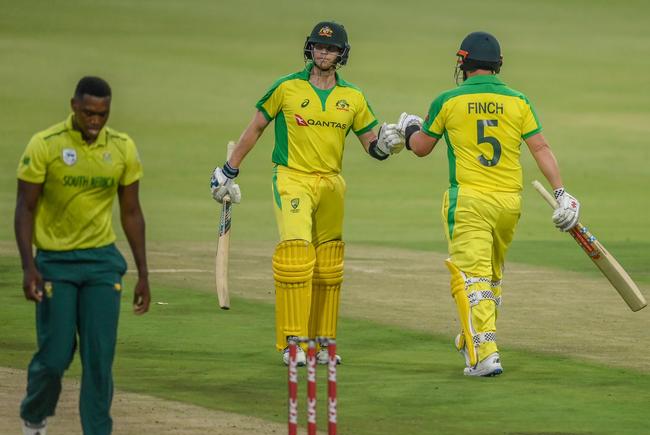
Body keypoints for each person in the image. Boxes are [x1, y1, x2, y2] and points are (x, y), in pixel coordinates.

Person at [210, 21, 403, 366]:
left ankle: (322, 344)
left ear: (341, 54)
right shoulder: (286, 88)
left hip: (331, 183)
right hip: (292, 178)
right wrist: (228, 170)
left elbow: (371, 143)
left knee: (328, 265)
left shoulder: (353, 97)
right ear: (310, 49)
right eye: (318, 46)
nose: (323, 53)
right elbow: (256, 127)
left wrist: (388, 146)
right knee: (296, 256)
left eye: (330, 48)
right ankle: (292, 343)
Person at [394, 32, 580, 377]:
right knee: (491, 278)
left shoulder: (448, 100)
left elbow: (421, 147)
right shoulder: (518, 101)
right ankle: (475, 336)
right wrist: (560, 193)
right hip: (509, 202)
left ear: (464, 63)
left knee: (471, 277)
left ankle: (485, 354)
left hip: (469, 199)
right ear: (498, 65)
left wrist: (410, 129)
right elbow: (540, 148)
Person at [15, 76, 150, 435]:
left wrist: (143, 272)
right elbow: (25, 208)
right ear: (74, 105)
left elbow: (131, 212)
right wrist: (29, 265)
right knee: (55, 358)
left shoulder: (121, 147)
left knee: (98, 361)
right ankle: (34, 418)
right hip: (55, 261)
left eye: (103, 114)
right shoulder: (46, 144)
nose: (95, 121)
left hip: (101, 264)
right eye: (89, 112)